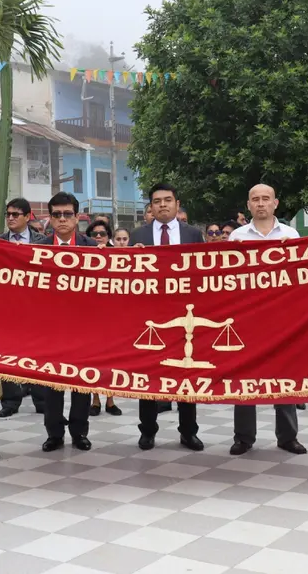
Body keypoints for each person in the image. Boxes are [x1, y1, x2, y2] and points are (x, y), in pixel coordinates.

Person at [227, 184, 306, 455]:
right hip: (246, 318)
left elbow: (301, 275)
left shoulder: (290, 235)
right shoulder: (236, 237)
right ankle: (243, 437)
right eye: (255, 199)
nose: (261, 203)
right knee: (244, 377)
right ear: (248, 205)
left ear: (275, 203)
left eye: (265, 199)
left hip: (282, 318)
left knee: (284, 376)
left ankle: (288, 436)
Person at [129, 183, 205, 452]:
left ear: (177, 204)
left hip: (184, 311)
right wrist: (132, 257)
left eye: (168, 200)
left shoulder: (193, 234)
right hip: (149, 315)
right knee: (149, 373)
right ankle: (148, 431)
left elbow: (203, 273)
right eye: (157, 201)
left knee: (186, 373)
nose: (162, 205)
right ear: (151, 206)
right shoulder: (138, 235)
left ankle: (189, 431)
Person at [41, 192, 97, 452]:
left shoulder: (93, 248)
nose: (62, 219)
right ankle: (54, 433)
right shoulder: (37, 249)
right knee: (52, 384)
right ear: (50, 218)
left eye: (67, 214)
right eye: (57, 215)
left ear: (77, 218)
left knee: (81, 382)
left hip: (84, 327)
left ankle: (79, 432)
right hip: (50, 327)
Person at [0, 197, 49, 418]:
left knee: (38, 353)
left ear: (27, 217)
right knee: (6, 354)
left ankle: (42, 399)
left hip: (37, 307)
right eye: (8, 214)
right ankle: (10, 401)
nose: (10, 218)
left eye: (15, 214)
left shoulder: (43, 242)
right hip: (7, 307)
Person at [85, 220, 122, 417]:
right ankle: (95, 400)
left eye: (102, 234)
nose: (98, 237)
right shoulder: (83, 255)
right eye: (94, 234)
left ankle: (110, 399)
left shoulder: (118, 256)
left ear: (109, 237)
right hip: (90, 316)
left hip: (113, 316)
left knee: (111, 361)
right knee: (93, 360)